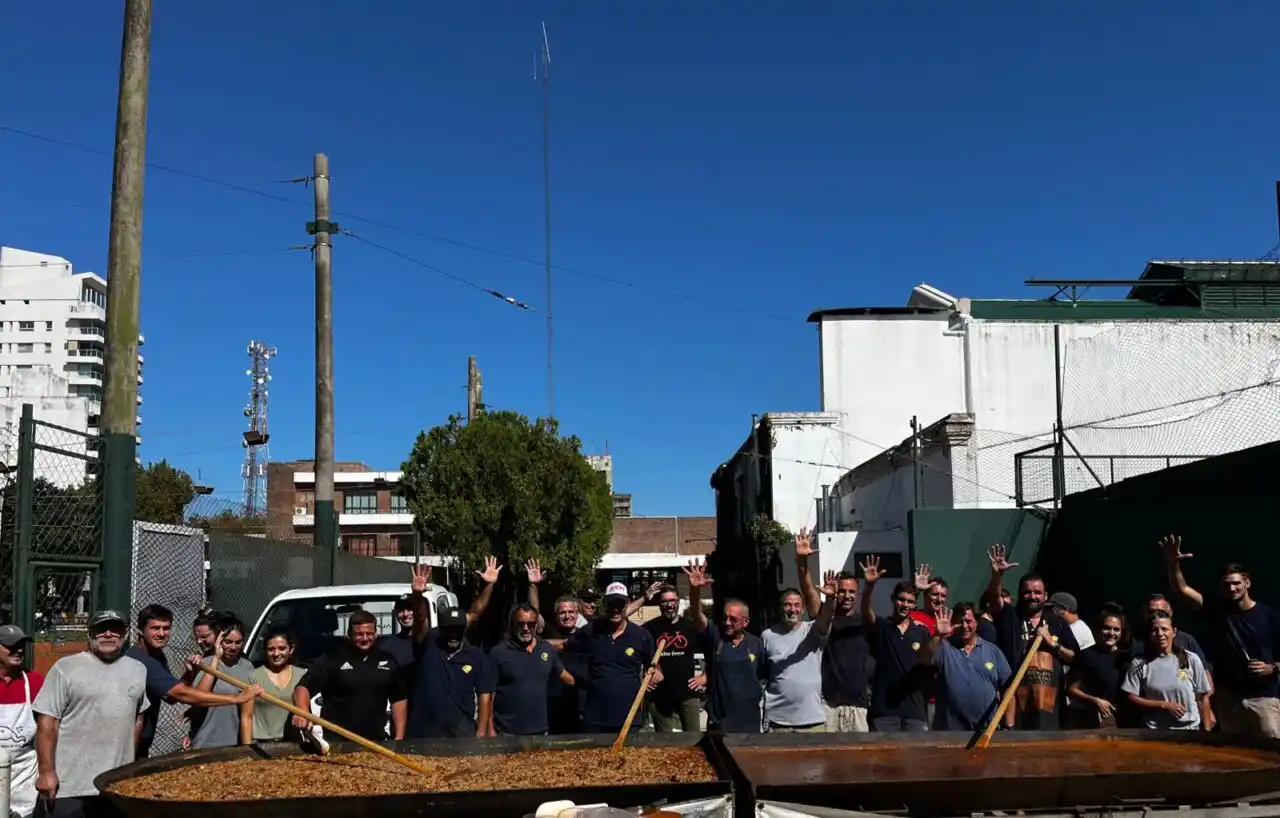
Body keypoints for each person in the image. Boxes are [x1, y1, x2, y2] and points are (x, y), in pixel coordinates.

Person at [33, 611, 148, 818]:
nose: (108, 634)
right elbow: (47, 722)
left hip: (116, 786)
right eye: (101, 629)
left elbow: (138, 716)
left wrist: (128, 761)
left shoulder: (138, 669)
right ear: (90, 634)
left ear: (125, 634)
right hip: (71, 786)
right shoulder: (65, 668)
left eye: (115, 629)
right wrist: (46, 772)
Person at [1160, 535, 1275, 736]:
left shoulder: (1269, 617)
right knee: (1234, 758)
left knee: (1273, 757)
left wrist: (1272, 667)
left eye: (1236, 583)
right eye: (1226, 585)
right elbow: (1182, 590)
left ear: (1247, 582)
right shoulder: (1218, 611)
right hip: (1230, 700)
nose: (1232, 588)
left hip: (1263, 700)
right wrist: (1173, 564)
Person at [126, 605, 260, 758]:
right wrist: (236, 698)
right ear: (140, 630)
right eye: (155, 628)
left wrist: (190, 674)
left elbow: (170, 697)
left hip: (143, 737)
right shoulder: (140, 660)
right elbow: (180, 694)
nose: (162, 634)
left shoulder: (157, 656)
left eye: (166, 628)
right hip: (128, 739)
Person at [984, 544, 1078, 729]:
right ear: (1020, 594)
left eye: (1037, 592)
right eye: (1027, 592)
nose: (1032, 596)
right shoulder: (1011, 617)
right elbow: (994, 599)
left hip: (1049, 708)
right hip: (1016, 705)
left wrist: (1052, 643)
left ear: (1046, 596)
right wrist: (997, 576)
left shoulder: (1057, 622)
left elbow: (1074, 657)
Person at [404, 561, 500, 738]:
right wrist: (416, 595)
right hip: (423, 735)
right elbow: (419, 618)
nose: (454, 635)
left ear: (464, 629)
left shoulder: (476, 656)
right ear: (442, 628)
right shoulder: (429, 642)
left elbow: (485, 697)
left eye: (458, 630)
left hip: (461, 735)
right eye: (450, 630)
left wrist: (489, 585)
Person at [760, 529, 836, 733]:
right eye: (787, 605)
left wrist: (829, 598)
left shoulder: (813, 631)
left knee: (816, 767)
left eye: (796, 605)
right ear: (779, 608)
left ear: (802, 609)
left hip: (812, 721)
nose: (791, 609)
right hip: (778, 721)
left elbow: (825, 614)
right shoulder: (767, 636)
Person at [292, 610, 408, 742]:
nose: (364, 638)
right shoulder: (332, 658)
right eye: (359, 634)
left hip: (376, 741)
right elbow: (302, 688)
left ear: (376, 634)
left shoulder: (388, 660)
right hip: (337, 741)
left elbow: (399, 699)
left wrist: (399, 737)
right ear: (349, 634)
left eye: (369, 634)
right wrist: (302, 712)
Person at [564, 582, 661, 733]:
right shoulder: (590, 631)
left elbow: (654, 665)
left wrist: (656, 674)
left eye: (620, 604)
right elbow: (568, 650)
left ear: (627, 604)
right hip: (595, 718)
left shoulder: (641, 635)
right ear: (605, 605)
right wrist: (581, 678)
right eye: (611, 603)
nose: (615, 609)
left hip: (629, 718)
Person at [683, 560, 764, 732]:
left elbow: (763, 676)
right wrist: (695, 590)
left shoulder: (756, 644)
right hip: (719, 722)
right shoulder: (715, 637)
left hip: (749, 723)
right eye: (725, 617)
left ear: (745, 622)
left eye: (733, 619)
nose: (727, 622)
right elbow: (697, 615)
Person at [860, 557, 931, 732]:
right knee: (883, 759)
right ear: (893, 599)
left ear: (915, 605)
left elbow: (929, 658)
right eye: (901, 599)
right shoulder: (883, 627)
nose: (904, 604)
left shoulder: (921, 631)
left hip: (914, 712)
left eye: (909, 601)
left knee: (915, 759)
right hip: (884, 711)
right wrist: (869, 587)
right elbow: (866, 612)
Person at [920, 603, 1011, 731]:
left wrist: (1009, 726)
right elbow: (925, 658)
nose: (964, 626)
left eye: (968, 621)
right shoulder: (944, 647)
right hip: (949, 732)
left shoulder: (992, 651)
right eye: (960, 622)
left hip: (986, 731)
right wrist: (937, 635)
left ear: (977, 623)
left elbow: (1008, 688)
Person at [488, 604, 574, 736]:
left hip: (540, 731)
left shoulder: (547, 649)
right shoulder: (498, 653)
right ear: (513, 624)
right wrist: (489, 728)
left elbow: (566, 677)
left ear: (536, 625)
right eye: (521, 624)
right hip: (507, 732)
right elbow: (488, 696)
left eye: (530, 624)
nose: (526, 628)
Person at [1123, 610, 1212, 731]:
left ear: (1174, 632)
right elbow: (1131, 697)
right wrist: (1163, 705)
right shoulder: (1139, 663)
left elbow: (1202, 698)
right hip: (1155, 732)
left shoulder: (1191, 659)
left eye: (1164, 629)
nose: (1160, 634)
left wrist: (1207, 731)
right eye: (1155, 630)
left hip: (1189, 730)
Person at [643, 584, 705, 732]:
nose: (670, 605)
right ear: (659, 604)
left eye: (673, 600)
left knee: (694, 742)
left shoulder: (690, 626)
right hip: (660, 697)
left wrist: (704, 677)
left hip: (687, 694)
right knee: (667, 746)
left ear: (678, 602)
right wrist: (645, 676)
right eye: (665, 601)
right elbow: (639, 657)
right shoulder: (648, 629)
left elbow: (712, 651)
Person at [820, 569, 872, 733]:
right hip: (829, 705)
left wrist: (871, 586)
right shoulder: (826, 621)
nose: (847, 596)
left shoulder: (865, 623)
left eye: (852, 591)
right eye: (842, 591)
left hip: (858, 707)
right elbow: (811, 601)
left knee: (858, 758)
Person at [190, 618, 255, 749]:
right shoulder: (206, 663)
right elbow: (198, 698)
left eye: (238, 642)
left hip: (234, 741)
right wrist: (216, 659)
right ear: (219, 641)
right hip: (205, 741)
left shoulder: (248, 667)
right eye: (228, 642)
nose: (233, 647)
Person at [1065, 606, 1132, 729]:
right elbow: (1071, 689)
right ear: (1098, 629)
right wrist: (1095, 701)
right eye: (1107, 628)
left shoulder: (1126, 658)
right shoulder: (1087, 654)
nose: (1111, 633)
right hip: (1088, 719)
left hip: (1121, 720)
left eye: (1116, 629)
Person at [0, 626, 43, 817]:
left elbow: (47, 725)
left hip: (24, 771)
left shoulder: (33, 681)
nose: (18, 650)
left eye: (21, 645)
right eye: (11, 645)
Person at [240, 626, 304, 743]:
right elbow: (246, 718)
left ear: (291, 649)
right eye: (271, 649)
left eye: (281, 648)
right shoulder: (254, 677)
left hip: (293, 745)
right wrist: (246, 751)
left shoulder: (302, 676)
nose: (276, 654)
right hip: (261, 744)